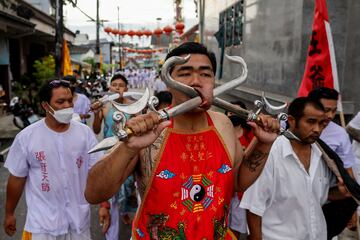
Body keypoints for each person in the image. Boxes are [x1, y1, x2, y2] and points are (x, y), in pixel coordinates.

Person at [85, 42, 280, 239]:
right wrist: (127, 149)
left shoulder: (223, 124)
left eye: (205, 74)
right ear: (168, 83)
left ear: (213, 82)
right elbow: (94, 193)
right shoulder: (148, 129)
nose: (196, 81)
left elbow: (238, 182)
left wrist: (263, 143)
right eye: (185, 73)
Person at [3, 79, 102, 239]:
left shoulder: (84, 134)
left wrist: (105, 204)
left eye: (70, 101)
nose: (67, 106)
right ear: (45, 106)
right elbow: (17, 179)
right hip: (42, 226)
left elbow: (98, 172)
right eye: (60, 102)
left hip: (78, 224)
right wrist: (9, 213)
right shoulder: (27, 137)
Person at [240, 97, 349, 240]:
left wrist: (342, 193)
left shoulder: (324, 156)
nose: (317, 129)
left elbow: (315, 195)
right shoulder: (271, 153)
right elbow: (253, 208)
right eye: (310, 122)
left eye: (321, 123)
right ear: (291, 121)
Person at [91, 73, 137, 240]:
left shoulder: (134, 107)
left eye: (121, 85)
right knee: (111, 194)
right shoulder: (105, 107)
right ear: (109, 88)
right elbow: (96, 130)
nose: (117, 87)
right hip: (109, 155)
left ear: (126, 89)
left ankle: (125, 211)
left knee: (128, 188)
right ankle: (112, 232)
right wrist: (96, 115)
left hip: (128, 155)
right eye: (114, 84)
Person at [308, 87, 358, 238]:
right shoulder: (294, 130)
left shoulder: (339, 134)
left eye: (334, 110)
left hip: (326, 200)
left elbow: (349, 173)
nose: (330, 115)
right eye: (326, 109)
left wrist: (352, 206)